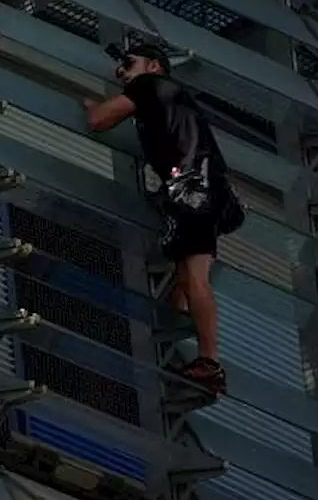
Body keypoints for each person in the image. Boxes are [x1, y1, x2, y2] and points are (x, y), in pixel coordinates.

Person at [81, 43, 243, 395]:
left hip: (192, 190)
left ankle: (209, 362)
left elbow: (99, 121)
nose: (122, 73)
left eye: (128, 64)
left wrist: (92, 105)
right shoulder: (175, 98)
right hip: (209, 189)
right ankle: (186, 349)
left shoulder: (148, 85)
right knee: (186, 276)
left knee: (195, 278)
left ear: (154, 66)